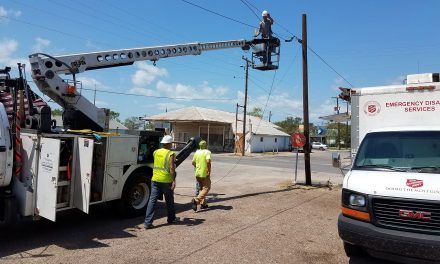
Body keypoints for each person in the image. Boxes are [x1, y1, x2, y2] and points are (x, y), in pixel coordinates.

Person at [144, 135, 179, 229]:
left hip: (155, 179)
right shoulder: (170, 154)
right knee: (169, 201)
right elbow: (172, 168)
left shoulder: (156, 152)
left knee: (152, 201)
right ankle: (171, 219)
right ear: (168, 144)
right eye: (171, 143)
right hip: (166, 181)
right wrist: (173, 180)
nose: (172, 145)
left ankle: (148, 222)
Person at [191, 140, 211, 211]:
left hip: (197, 173)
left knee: (202, 188)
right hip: (204, 173)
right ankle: (196, 200)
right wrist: (208, 171)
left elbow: (193, 162)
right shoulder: (207, 152)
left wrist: (198, 167)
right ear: (206, 145)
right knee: (206, 188)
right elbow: (208, 162)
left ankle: (203, 204)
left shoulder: (197, 152)